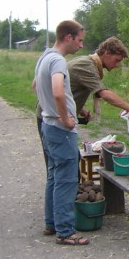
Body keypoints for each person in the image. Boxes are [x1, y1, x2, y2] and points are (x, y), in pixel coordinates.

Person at [35, 36, 129, 172]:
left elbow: (69, 87)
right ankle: (68, 192)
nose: (117, 65)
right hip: (53, 117)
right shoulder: (87, 66)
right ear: (107, 53)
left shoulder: (89, 63)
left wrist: (81, 109)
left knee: (60, 167)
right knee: (62, 168)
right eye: (116, 60)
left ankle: (66, 191)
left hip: (55, 114)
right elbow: (104, 93)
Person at [32, 20, 89, 245]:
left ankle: (51, 223)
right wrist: (65, 117)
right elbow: (57, 90)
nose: (82, 45)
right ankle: (65, 232)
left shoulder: (44, 57)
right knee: (66, 179)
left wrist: (50, 108)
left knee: (54, 176)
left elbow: (35, 86)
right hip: (59, 128)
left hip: (47, 124)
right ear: (68, 37)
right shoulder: (58, 60)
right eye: (80, 40)